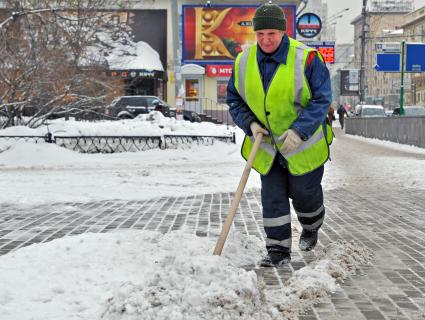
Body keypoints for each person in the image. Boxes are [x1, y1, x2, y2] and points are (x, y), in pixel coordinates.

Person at [226, 3, 332, 267]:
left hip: (302, 147)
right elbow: (234, 99)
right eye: (260, 34)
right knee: (272, 199)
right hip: (267, 148)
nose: (265, 40)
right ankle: (278, 250)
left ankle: (311, 226)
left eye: (271, 33)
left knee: (305, 196)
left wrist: (300, 130)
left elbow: (322, 99)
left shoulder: (307, 58)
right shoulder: (243, 62)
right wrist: (249, 124)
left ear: (283, 32)